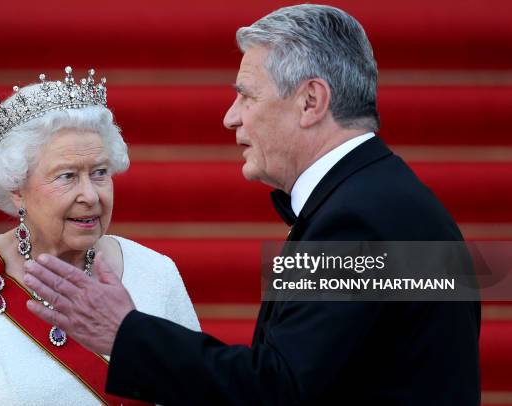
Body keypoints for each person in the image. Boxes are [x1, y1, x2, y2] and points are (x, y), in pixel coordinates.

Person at [24, 5, 481, 405]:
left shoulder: (354, 219)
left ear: (310, 101)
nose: (232, 116)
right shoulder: (387, 195)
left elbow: (277, 390)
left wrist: (124, 333)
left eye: (247, 94)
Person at [0, 67, 200, 405]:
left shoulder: (156, 273)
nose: (90, 194)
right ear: (17, 189)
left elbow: (198, 393)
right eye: (67, 176)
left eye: (100, 173)